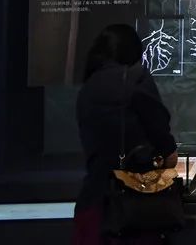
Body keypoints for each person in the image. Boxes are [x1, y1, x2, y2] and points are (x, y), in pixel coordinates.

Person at [73, 24, 178, 245]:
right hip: (134, 210)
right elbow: (166, 148)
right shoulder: (137, 79)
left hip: (92, 205)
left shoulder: (87, 89)